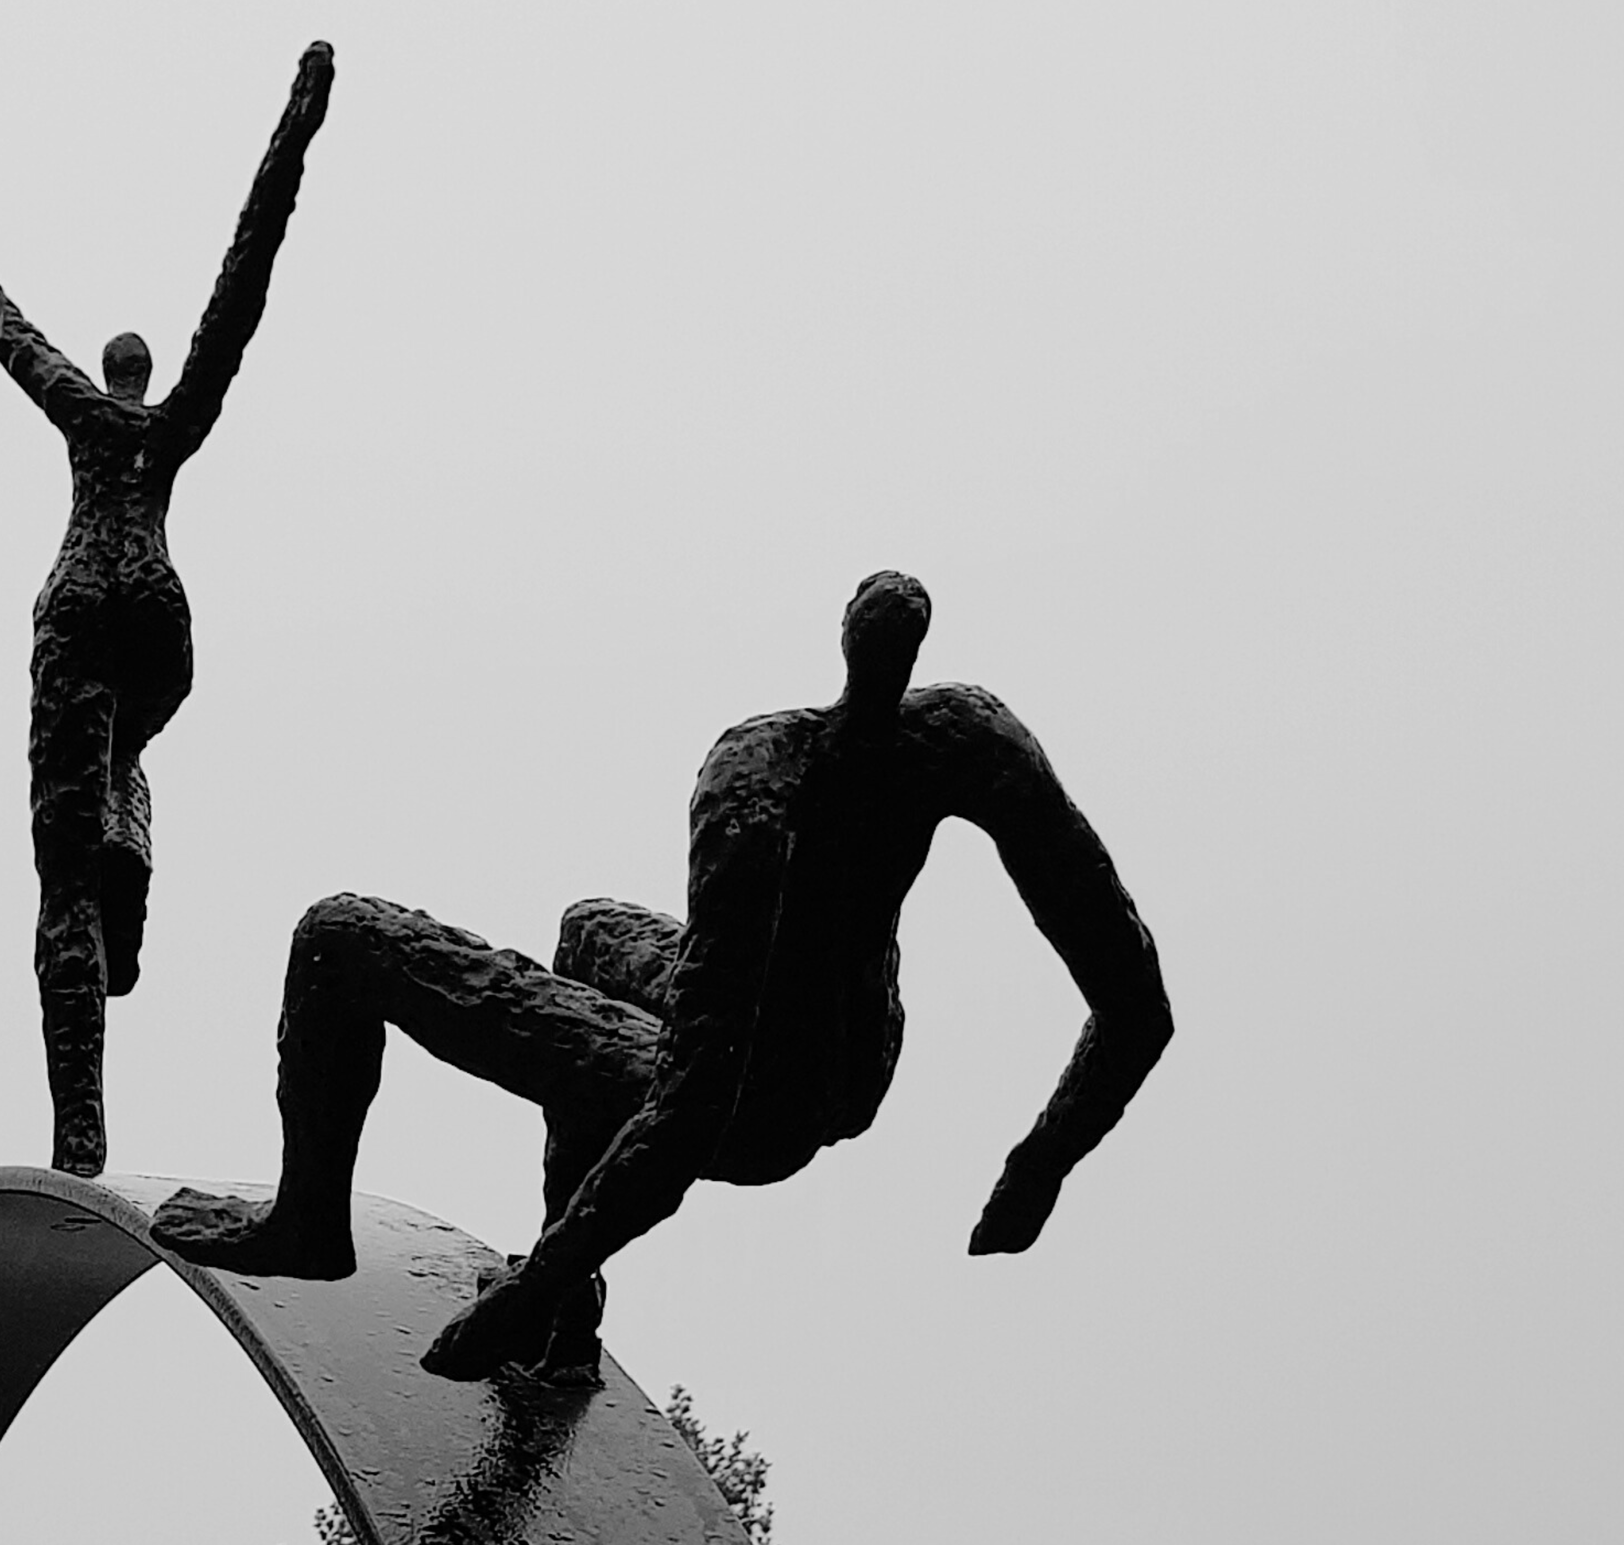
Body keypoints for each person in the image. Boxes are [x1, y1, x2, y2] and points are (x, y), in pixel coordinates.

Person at [153, 572, 1173, 1382]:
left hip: (756, 1105)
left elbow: (691, 1103)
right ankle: (564, 1303)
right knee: (591, 930)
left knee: (337, 939)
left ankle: (312, 1223)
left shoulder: (762, 780)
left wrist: (526, 1294)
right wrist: (1039, 1166)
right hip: (849, 1061)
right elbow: (1134, 1006)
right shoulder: (952, 737)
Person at [0, 43, 335, 1177]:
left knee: (61, 882)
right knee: (122, 759)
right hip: (161, 617)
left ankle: (79, 1125)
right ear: (151, 373)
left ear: (103, 370)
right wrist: (297, 122)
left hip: (83, 601)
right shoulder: (171, 421)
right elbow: (246, 280)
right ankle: (124, 823)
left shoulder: (81, 414)